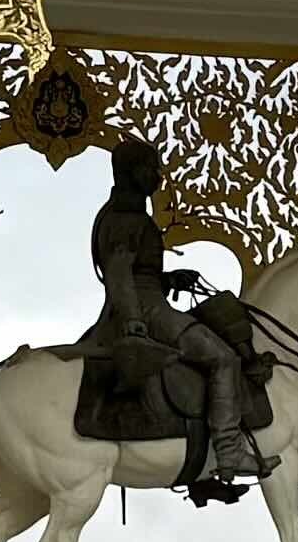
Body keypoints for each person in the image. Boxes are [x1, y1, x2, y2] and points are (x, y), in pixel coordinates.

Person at [74, 141, 267, 502]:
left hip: (148, 302)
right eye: (151, 169)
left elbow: (137, 273)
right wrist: (134, 321)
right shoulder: (125, 219)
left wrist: (169, 279)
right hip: (147, 312)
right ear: (131, 173)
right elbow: (119, 275)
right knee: (223, 358)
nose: (158, 177)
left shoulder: (127, 215)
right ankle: (229, 450)